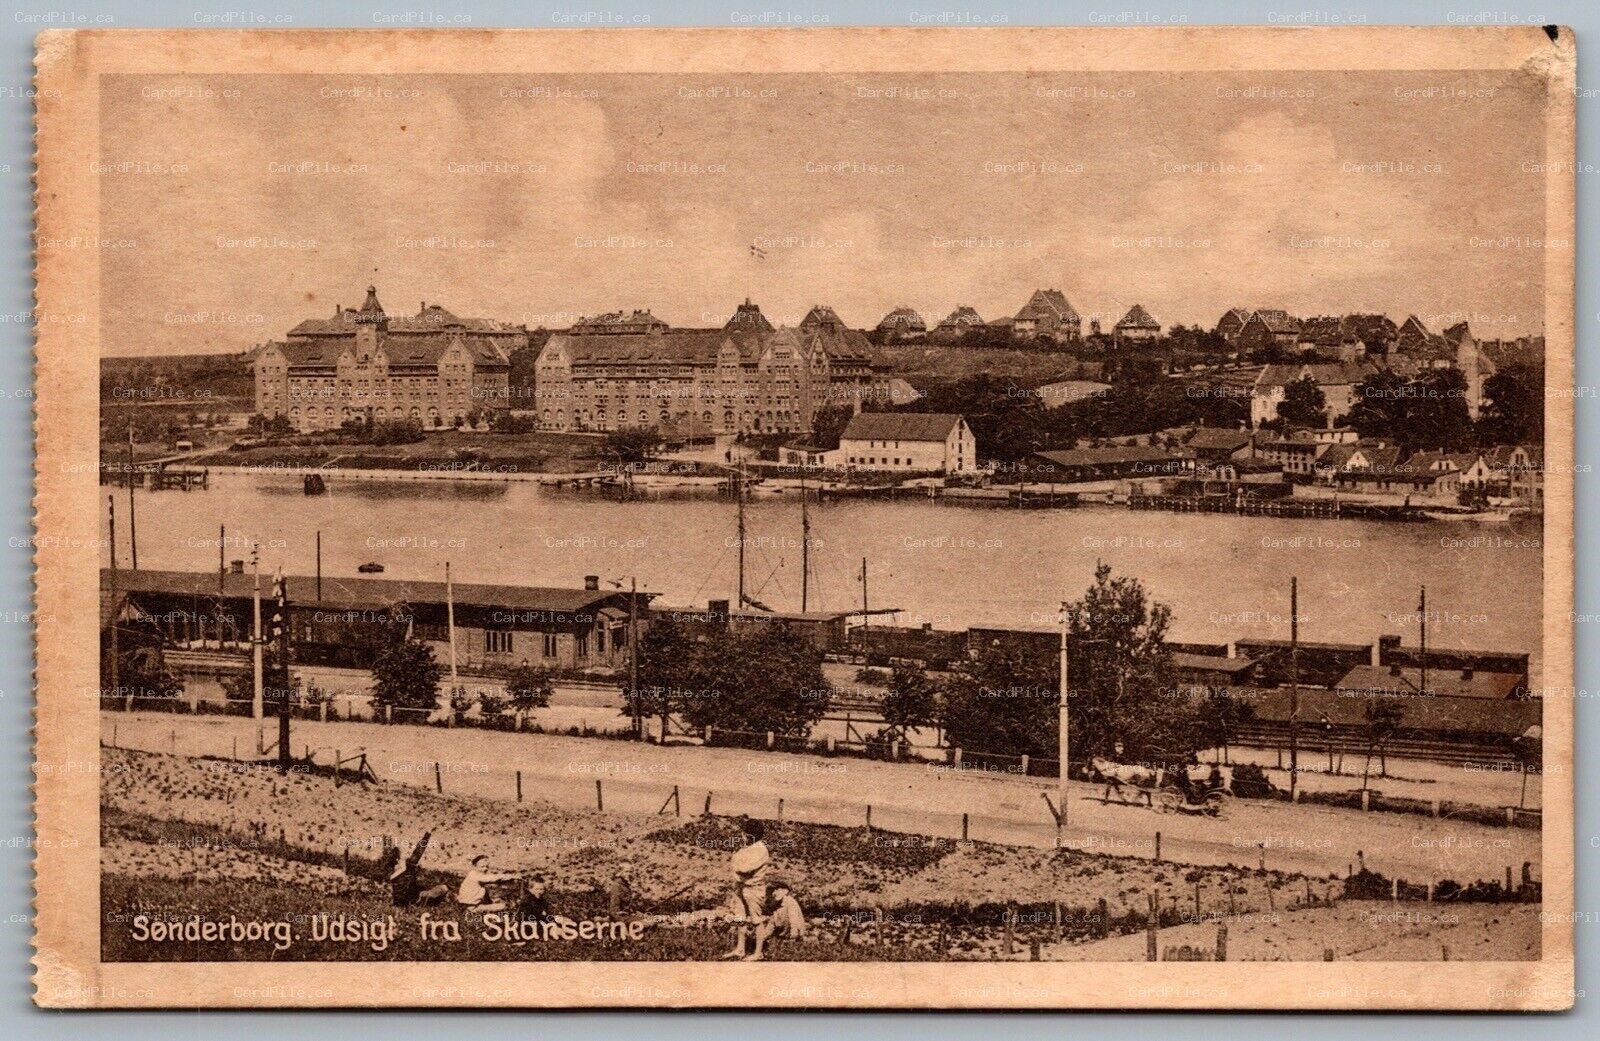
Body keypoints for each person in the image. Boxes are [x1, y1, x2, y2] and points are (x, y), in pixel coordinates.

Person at [388, 831, 449, 907]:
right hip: (417, 901)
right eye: (401, 857)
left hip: (405, 903)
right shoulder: (407, 869)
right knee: (443, 888)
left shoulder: (391, 876)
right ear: (398, 860)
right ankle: (435, 905)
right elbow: (418, 852)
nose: (405, 858)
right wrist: (427, 836)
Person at [758, 879, 806, 944]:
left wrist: (793, 936)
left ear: (785, 891)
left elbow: (794, 920)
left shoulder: (790, 902)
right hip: (782, 933)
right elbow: (772, 923)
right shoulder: (776, 904)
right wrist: (762, 938)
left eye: (777, 890)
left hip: (794, 933)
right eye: (772, 891)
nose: (774, 893)